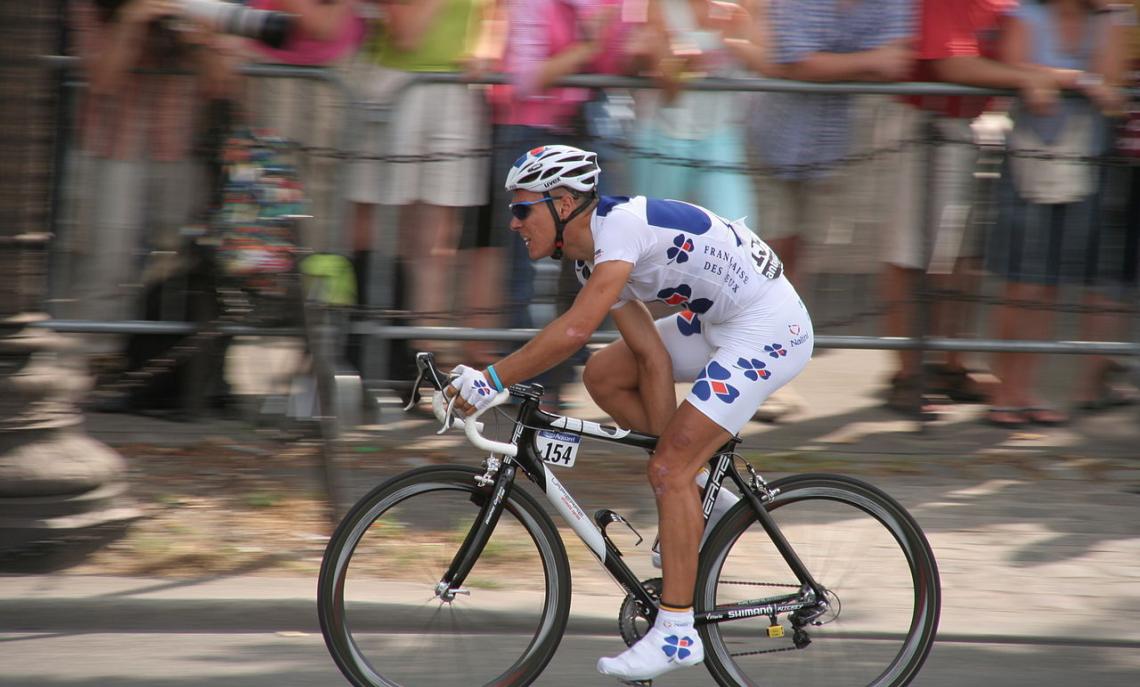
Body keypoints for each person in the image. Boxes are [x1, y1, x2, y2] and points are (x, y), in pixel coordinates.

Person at [445, 145, 814, 682]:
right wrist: (677, 463)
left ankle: (677, 632)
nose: (513, 222)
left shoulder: (619, 230)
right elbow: (650, 358)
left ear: (563, 203)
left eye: (523, 209)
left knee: (669, 468)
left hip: (768, 329)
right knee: (605, 376)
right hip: (719, 323)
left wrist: (492, 379)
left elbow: (575, 329)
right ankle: (702, 496)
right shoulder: (589, 257)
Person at [875, 0, 1074, 417]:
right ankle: (907, 375)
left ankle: (950, 366)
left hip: (969, 126)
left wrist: (1035, 74)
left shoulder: (1006, 4)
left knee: (960, 259)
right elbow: (954, 65)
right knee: (910, 254)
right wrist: (1031, 77)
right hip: (926, 122)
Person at [985, 0, 1135, 425]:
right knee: (1022, 283)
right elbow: (1016, 72)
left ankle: (1026, 390)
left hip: (1082, 165)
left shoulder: (1107, 20)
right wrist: (1078, 80)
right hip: (1029, 165)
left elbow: (1113, 89)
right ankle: (1004, 392)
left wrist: (1108, 21)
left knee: (1051, 285)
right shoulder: (1027, 16)